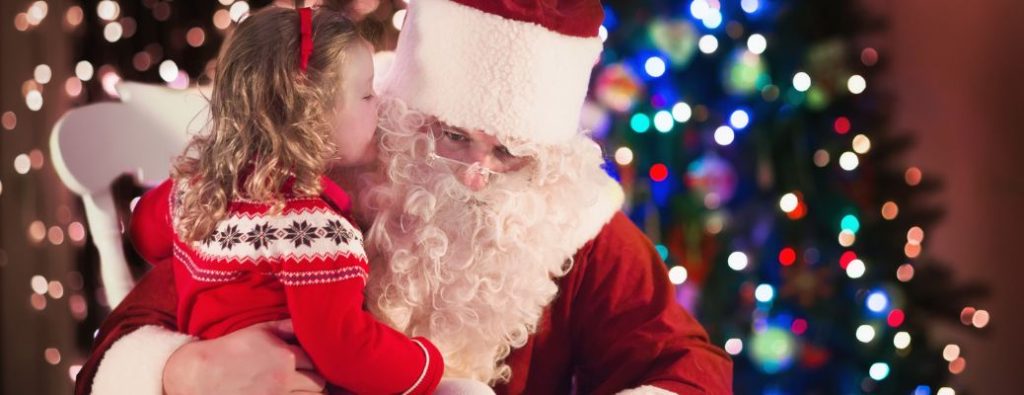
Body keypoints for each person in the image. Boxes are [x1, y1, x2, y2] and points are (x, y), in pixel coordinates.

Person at [76, 0, 734, 394]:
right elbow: (119, 346)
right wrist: (185, 372)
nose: (478, 173)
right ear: (400, 110)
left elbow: (689, 366)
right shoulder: (304, 178)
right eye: (452, 135)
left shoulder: (569, 222)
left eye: (511, 152)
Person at [122, 5, 446, 394]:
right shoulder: (312, 228)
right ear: (311, 116)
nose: (380, 104)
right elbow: (345, 349)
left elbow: (144, 231)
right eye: (366, 94)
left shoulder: (195, 189)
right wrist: (426, 362)